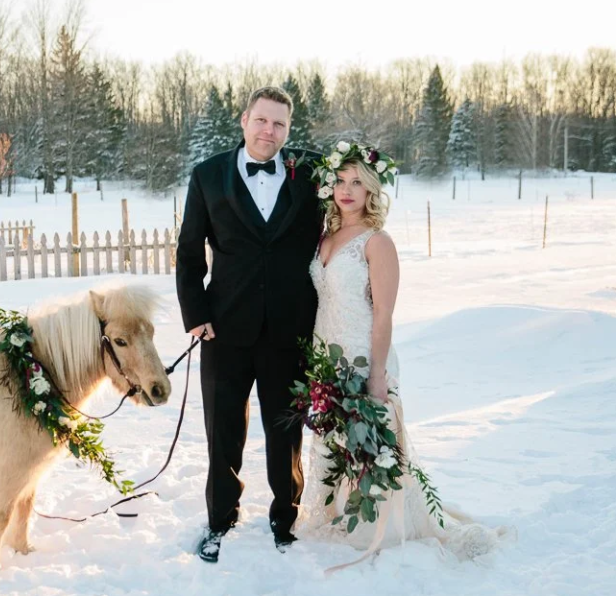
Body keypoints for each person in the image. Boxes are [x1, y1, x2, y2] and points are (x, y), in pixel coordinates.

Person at [298, 146, 510, 572]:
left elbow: (384, 314)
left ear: (372, 189)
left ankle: (380, 524)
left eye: (357, 181)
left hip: (363, 357)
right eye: (340, 180)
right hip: (327, 357)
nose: (347, 190)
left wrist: (376, 375)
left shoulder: (378, 243)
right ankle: (333, 510)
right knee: (333, 442)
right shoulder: (323, 235)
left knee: (371, 448)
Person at [175, 86, 324, 563]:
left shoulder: (310, 173)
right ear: (244, 120)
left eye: (279, 124)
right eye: (262, 120)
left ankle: (286, 520)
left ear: (289, 129)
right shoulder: (208, 175)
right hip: (223, 329)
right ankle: (220, 519)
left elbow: (355, 194)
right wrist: (195, 316)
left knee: (286, 433)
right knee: (223, 433)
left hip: (289, 329)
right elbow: (188, 251)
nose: (269, 131)